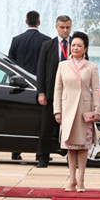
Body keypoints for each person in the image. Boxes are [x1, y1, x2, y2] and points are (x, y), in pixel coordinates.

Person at [53, 31, 100, 192]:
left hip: (84, 111)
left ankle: (81, 180)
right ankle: (71, 178)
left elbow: (96, 90)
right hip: (67, 110)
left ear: (85, 48)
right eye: (73, 45)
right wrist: (57, 111)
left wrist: (97, 110)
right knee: (70, 146)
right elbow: (57, 89)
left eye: (79, 45)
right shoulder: (62, 65)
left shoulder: (91, 67)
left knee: (83, 146)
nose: (75, 48)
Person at [7, 10, 51, 160]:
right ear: (39, 22)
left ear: (26, 22)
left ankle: (16, 150)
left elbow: (10, 62)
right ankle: (41, 152)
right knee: (40, 121)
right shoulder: (47, 41)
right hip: (39, 86)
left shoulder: (16, 40)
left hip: (19, 86)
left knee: (18, 118)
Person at [35, 15, 74, 167]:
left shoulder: (77, 44)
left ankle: (70, 158)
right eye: (62, 27)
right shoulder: (47, 45)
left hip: (71, 93)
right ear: (56, 27)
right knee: (46, 127)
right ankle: (42, 157)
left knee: (70, 126)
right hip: (51, 94)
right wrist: (41, 92)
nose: (65, 30)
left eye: (68, 27)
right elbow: (41, 71)